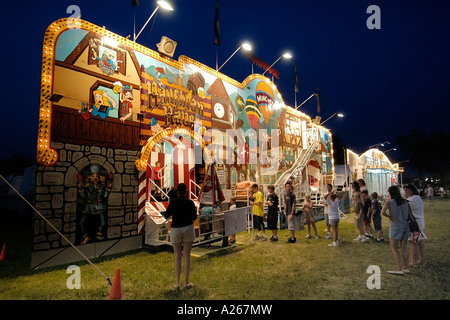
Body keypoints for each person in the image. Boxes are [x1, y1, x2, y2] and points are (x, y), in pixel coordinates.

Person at [164, 183, 198, 289]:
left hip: (175, 228)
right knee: (187, 255)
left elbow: (166, 215)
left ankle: (177, 283)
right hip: (188, 226)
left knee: (177, 256)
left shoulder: (173, 202)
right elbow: (194, 217)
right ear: (186, 191)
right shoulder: (190, 202)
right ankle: (187, 282)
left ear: (177, 192)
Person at [381, 185, 410, 275]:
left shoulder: (389, 202)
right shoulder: (405, 201)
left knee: (394, 247)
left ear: (390, 193)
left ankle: (398, 268)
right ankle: (406, 267)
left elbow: (383, 212)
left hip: (395, 226)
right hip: (405, 225)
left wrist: (390, 216)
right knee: (404, 247)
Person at [403, 184, 427, 267]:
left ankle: (414, 261)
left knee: (413, 242)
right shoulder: (417, 198)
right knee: (419, 241)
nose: (406, 192)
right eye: (405, 190)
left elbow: (405, 209)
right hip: (419, 222)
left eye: (407, 190)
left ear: (412, 190)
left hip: (414, 223)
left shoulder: (412, 200)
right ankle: (422, 260)